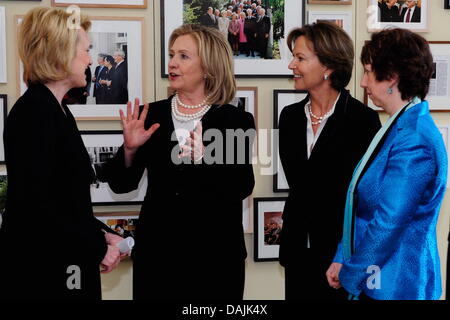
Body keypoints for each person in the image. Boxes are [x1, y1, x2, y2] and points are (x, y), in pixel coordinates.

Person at [97, 24, 255, 300]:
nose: (172, 63)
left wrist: (206, 160)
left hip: (216, 259)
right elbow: (122, 185)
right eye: (172, 55)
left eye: (184, 56)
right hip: (158, 257)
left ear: (208, 66)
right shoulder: (151, 114)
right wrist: (131, 150)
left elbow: (242, 186)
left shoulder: (235, 119)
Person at [0, 7, 124, 300]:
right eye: (86, 49)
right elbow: (39, 208)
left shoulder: (57, 110)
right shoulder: (34, 113)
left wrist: (102, 234)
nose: (91, 59)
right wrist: (98, 248)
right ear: (61, 51)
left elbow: (64, 200)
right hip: (41, 273)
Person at [326, 28, 447, 300]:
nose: (363, 82)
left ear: (392, 77)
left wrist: (351, 273)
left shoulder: (414, 137)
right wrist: (342, 256)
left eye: (368, 72)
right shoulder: (398, 127)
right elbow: (362, 209)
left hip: (398, 284)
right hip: (380, 277)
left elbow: (388, 222)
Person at [278, 22, 381, 300]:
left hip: (343, 257)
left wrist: (346, 252)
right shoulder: (288, 117)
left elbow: (367, 199)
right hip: (297, 251)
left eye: (300, 58)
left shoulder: (363, 120)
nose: (292, 66)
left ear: (328, 66)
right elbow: (300, 187)